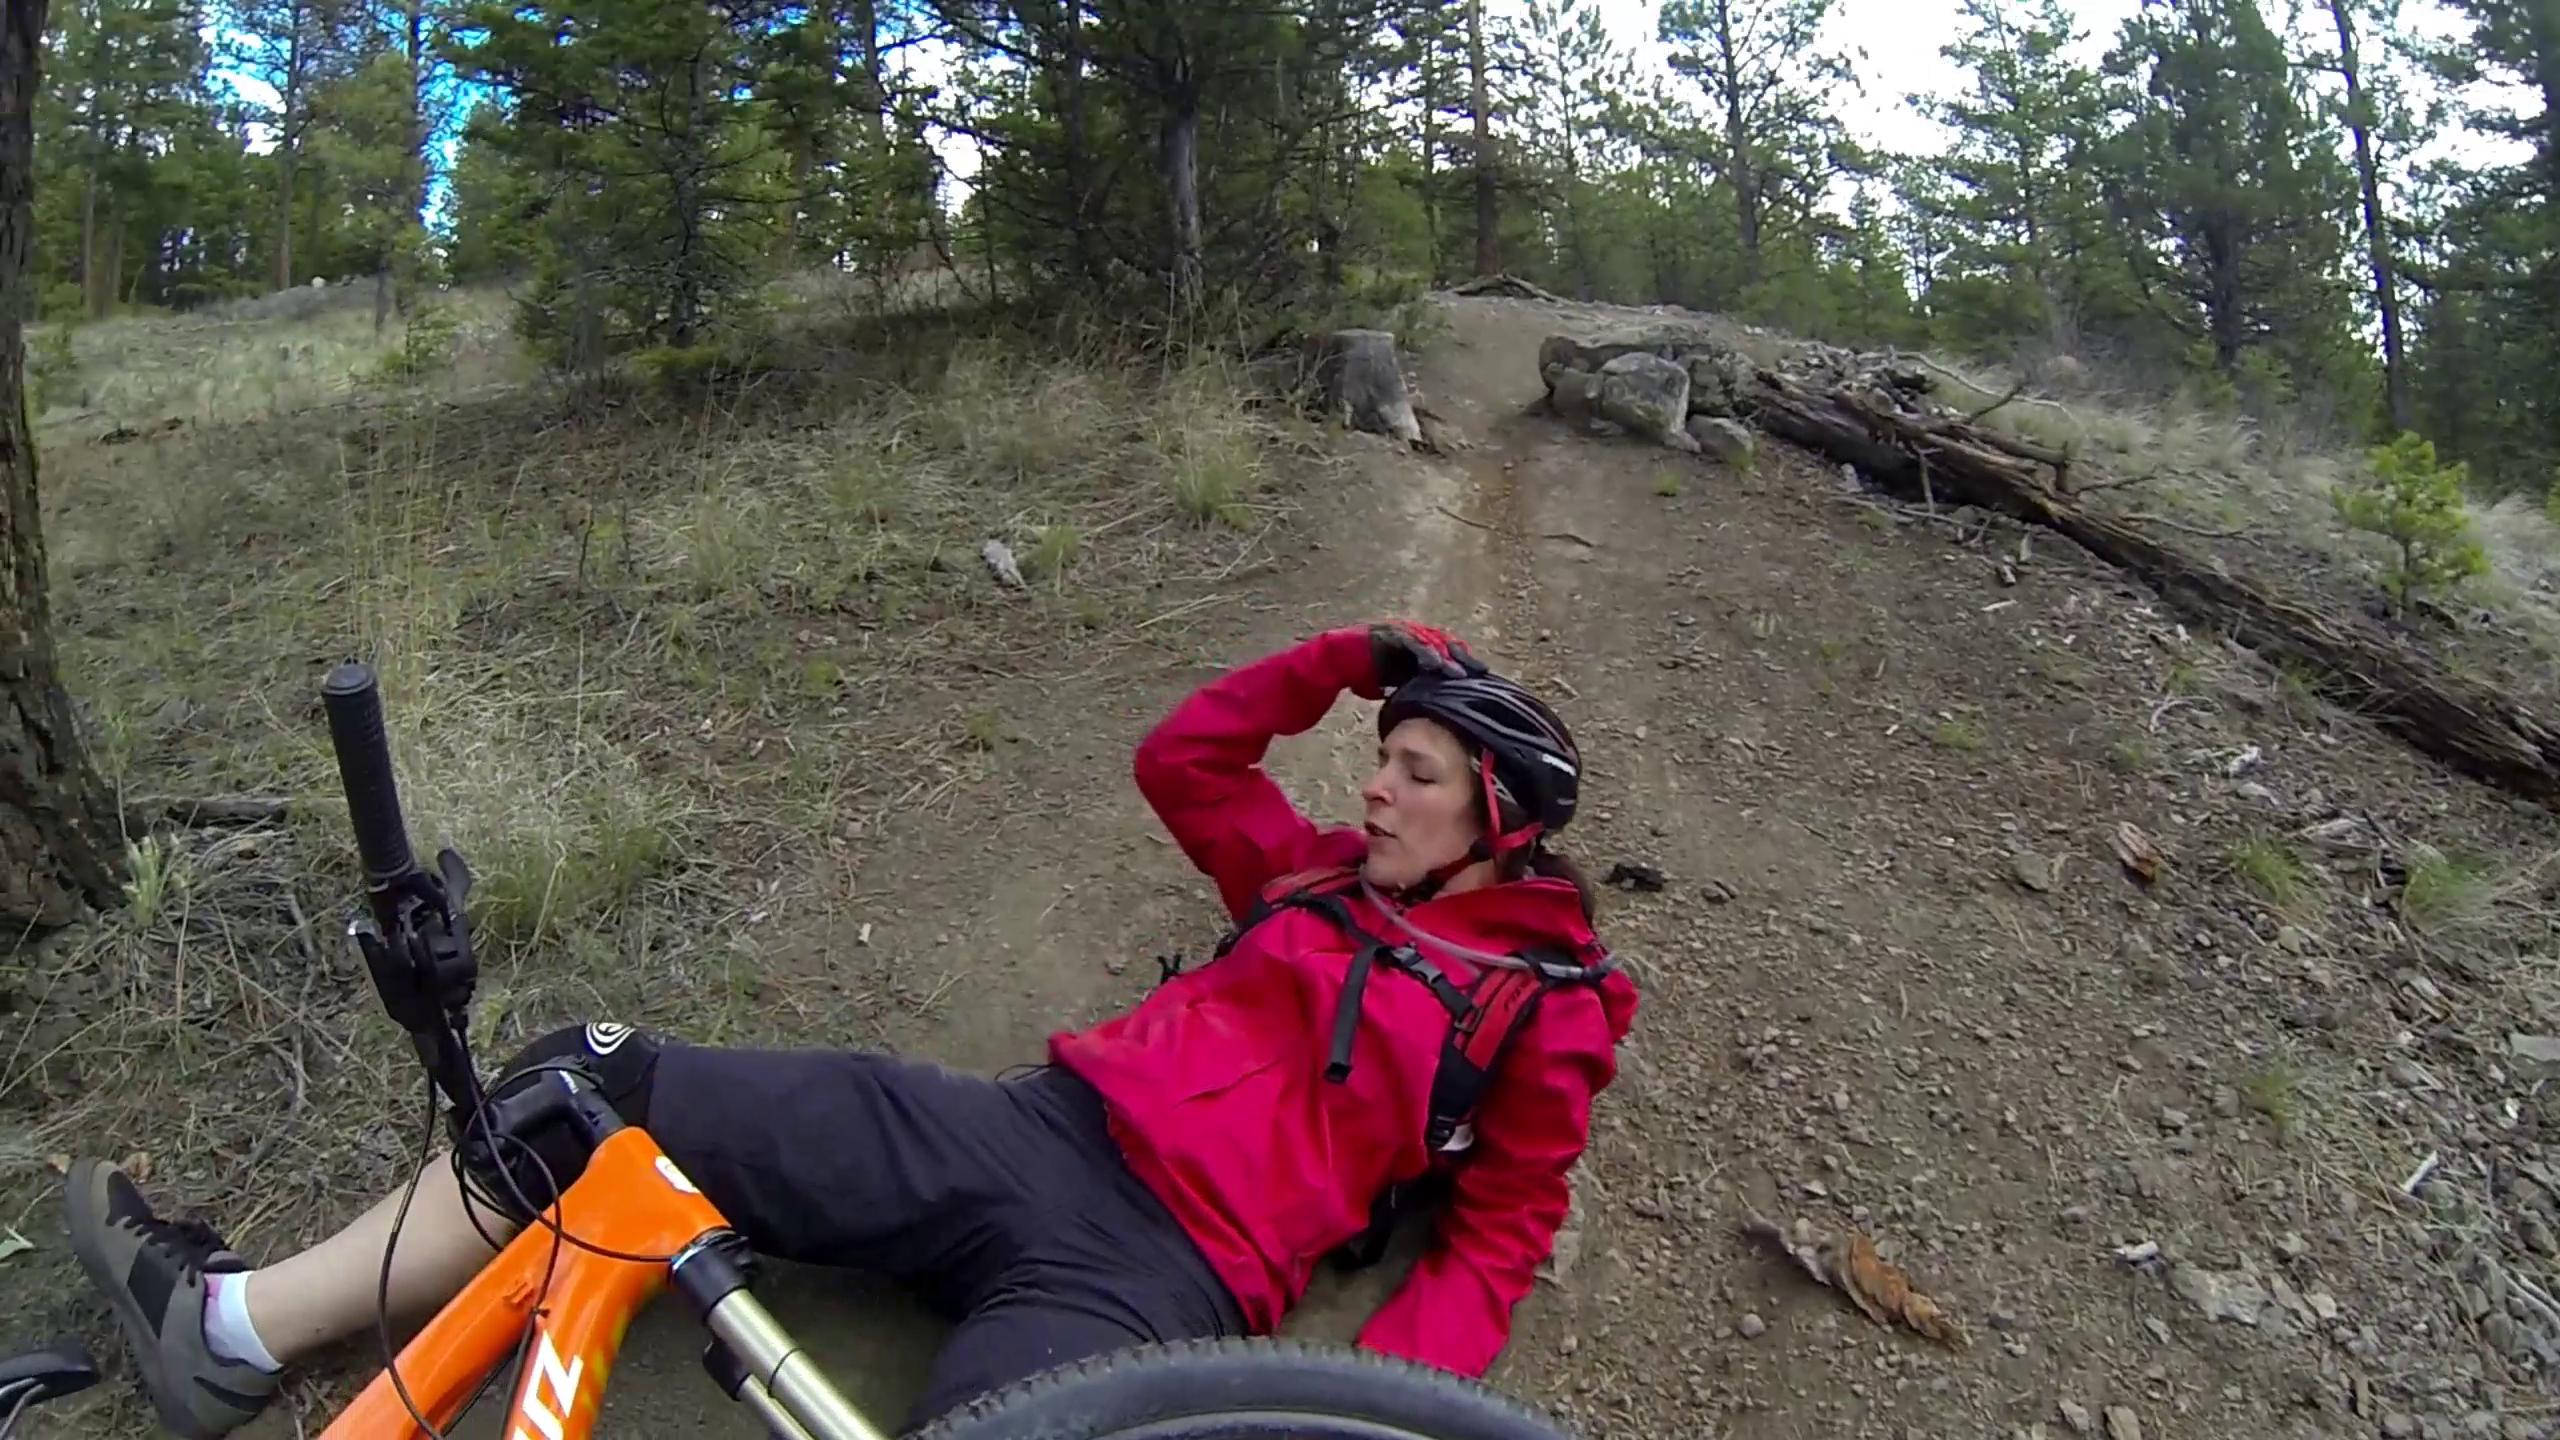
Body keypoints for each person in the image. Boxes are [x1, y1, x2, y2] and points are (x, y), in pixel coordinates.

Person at [64, 621, 1641, 1440]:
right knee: (585, 1079)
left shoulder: (1538, 1013)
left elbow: (1493, 1247)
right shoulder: (1309, 882)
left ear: (1499, 821)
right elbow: (1182, 763)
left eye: (1417, 772)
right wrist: (1347, 664)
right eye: (1387, 758)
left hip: (1162, 1277)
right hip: (1023, 1133)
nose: (1376, 785)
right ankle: (233, 1333)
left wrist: (1356, 1410)